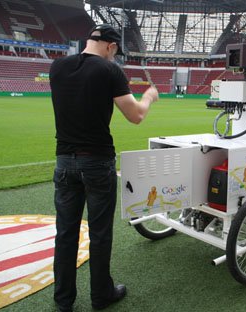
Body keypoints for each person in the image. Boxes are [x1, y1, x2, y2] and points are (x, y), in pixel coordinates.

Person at [49, 24, 159, 312]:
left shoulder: (57, 67)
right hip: (97, 161)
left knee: (65, 234)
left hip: (64, 161)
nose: (115, 57)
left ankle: (63, 301)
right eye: (115, 52)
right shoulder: (109, 71)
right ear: (110, 46)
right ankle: (101, 295)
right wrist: (148, 97)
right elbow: (135, 116)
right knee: (99, 233)